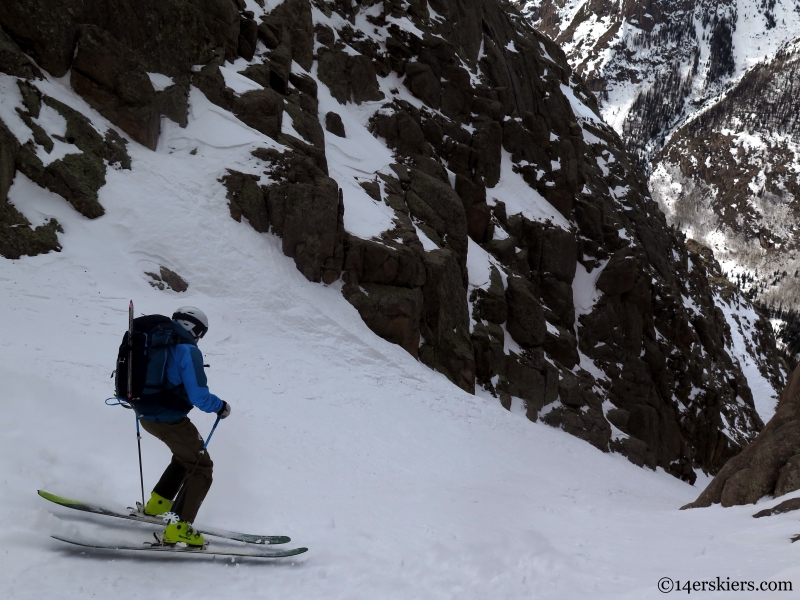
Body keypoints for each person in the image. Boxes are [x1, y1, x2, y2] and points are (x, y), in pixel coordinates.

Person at [137, 306, 231, 546]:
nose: (200, 339)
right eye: (201, 333)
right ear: (193, 329)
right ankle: (179, 527)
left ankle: (159, 504)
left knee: (184, 457)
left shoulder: (156, 342)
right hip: (169, 419)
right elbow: (199, 396)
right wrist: (220, 406)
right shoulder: (187, 350)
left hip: (145, 415)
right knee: (201, 467)